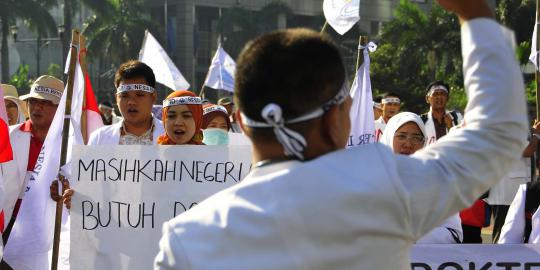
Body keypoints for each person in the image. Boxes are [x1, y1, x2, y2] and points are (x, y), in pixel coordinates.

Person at [154, 1, 527, 269]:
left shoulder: (186, 239)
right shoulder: (384, 188)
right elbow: (498, 134)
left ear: (241, 120)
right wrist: (475, 14)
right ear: (338, 119)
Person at [0, 75, 64, 269]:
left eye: (45, 103)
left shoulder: (70, 142)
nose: (37, 108)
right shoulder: (8, 136)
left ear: (60, 109)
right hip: (10, 227)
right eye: (33, 102)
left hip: (51, 231)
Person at [380, 112, 462, 244]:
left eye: (416, 138)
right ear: (389, 137)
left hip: (427, 262)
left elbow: (453, 233)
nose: (408, 144)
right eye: (401, 136)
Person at [88, 60, 164, 145]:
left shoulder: (173, 136)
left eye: (139, 95)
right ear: (117, 99)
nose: (131, 102)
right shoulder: (98, 139)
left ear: (153, 97)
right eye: (124, 96)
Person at [421, 80, 463, 145]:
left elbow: (463, 143)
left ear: (447, 98)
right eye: (435, 94)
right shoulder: (421, 121)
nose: (439, 97)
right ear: (427, 98)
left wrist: (451, 128)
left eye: (443, 94)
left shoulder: (457, 118)